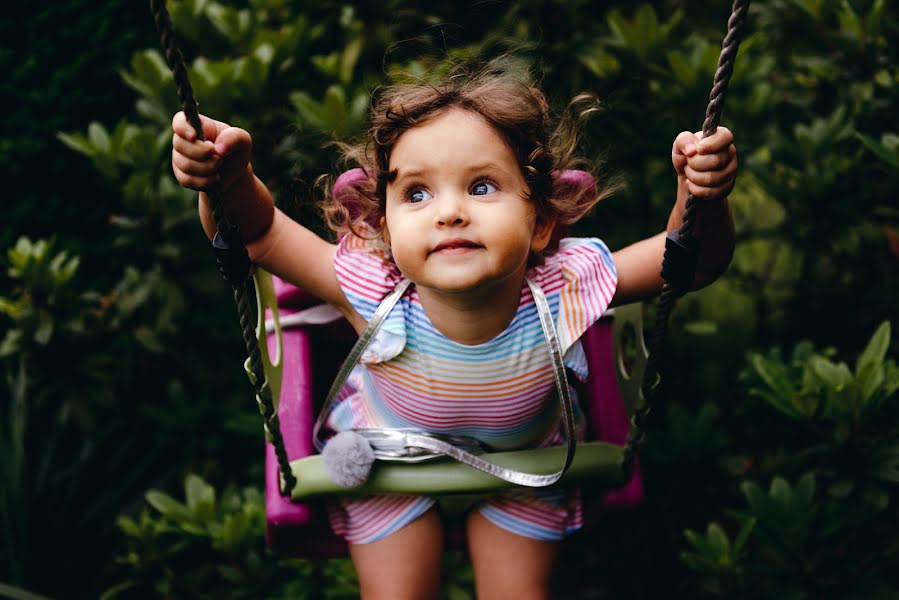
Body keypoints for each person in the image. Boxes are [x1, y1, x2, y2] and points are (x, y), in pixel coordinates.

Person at [171, 62, 736, 599]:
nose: (450, 213)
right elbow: (262, 234)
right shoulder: (371, 287)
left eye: (482, 186)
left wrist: (698, 196)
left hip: (527, 461)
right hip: (388, 458)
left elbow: (690, 261)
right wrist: (229, 179)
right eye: (417, 193)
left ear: (539, 222)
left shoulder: (563, 286)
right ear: (386, 230)